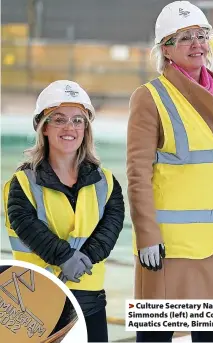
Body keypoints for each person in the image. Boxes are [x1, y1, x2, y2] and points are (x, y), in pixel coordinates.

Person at [127, 1, 213, 342]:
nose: (197, 44)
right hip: (167, 248)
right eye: (184, 38)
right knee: (157, 335)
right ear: (166, 49)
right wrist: (147, 236)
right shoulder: (149, 98)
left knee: (210, 336)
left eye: (201, 35)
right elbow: (138, 174)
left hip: (212, 245)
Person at [3, 80, 125, 342]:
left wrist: (84, 261)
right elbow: (29, 229)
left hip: (90, 300)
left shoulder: (107, 182)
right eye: (59, 119)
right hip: (35, 305)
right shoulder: (22, 183)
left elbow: (110, 231)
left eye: (78, 120)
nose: (70, 128)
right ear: (44, 127)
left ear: (86, 128)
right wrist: (65, 258)